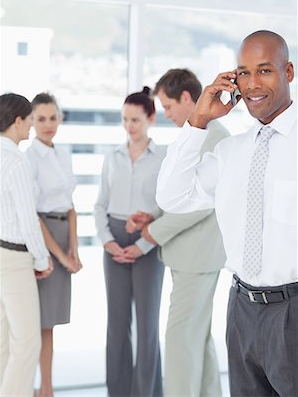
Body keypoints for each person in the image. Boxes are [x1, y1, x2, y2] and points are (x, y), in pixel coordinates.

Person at [156, 30, 297, 396]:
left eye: (265, 70)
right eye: (243, 73)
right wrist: (198, 121)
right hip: (242, 311)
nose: (252, 84)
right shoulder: (231, 152)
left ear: (289, 73)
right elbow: (173, 196)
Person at [127, 69, 229, 397]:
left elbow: (199, 206)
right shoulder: (202, 135)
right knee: (196, 338)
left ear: (188, 98)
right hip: (195, 257)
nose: (166, 114)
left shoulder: (214, 137)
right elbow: (183, 193)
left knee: (180, 339)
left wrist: (152, 232)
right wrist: (153, 215)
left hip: (197, 258)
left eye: (168, 106)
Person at [93, 87, 165, 397]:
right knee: (117, 326)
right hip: (115, 242)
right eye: (125, 120)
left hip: (148, 243)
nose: (129, 126)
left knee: (147, 327)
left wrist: (144, 244)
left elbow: (167, 209)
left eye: (135, 120)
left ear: (151, 118)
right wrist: (108, 242)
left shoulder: (164, 158)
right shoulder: (112, 158)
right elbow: (99, 206)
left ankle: (147, 393)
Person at [25, 92, 82, 397]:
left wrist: (74, 248)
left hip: (63, 236)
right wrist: (59, 256)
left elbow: (70, 205)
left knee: (51, 322)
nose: (48, 124)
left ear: (60, 118)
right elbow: (34, 215)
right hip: (42, 240)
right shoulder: (28, 158)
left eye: (53, 117)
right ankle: (44, 388)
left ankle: (46, 387)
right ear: (31, 122)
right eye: (41, 119)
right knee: (42, 322)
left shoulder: (63, 154)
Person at [0, 93, 53, 397]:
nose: (32, 127)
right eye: (30, 120)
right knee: (27, 343)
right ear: (17, 121)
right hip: (15, 258)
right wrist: (42, 260)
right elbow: (27, 219)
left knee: (4, 341)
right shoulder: (16, 161)